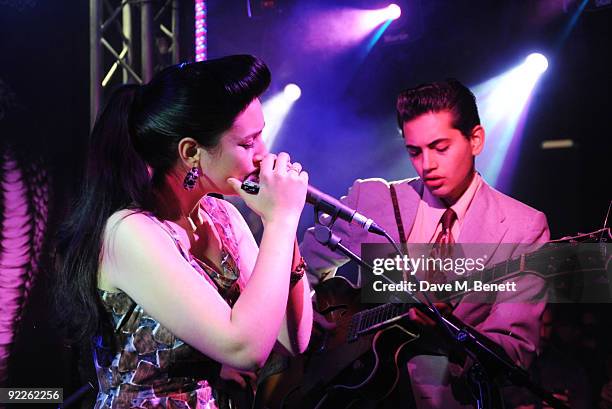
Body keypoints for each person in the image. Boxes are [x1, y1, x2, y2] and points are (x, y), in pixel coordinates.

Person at [55, 55, 313, 409]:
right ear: (191, 152)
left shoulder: (222, 216)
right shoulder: (129, 232)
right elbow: (244, 348)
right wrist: (281, 220)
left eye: (261, 136)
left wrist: (286, 226)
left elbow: (290, 340)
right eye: (247, 142)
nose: (262, 155)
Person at [301, 79, 549, 408]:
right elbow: (295, 268)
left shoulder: (522, 227)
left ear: (476, 140)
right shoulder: (375, 199)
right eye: (414, 151)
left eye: (440, 147)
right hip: (358, 395)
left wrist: (452, 335)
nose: (426, 165)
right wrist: (306, 322)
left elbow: (515, 351)